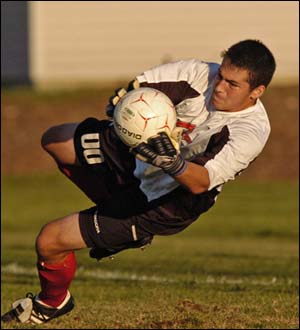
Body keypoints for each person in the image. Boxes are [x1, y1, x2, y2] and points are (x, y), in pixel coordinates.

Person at [2, 39, 276, 324]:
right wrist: (124, 100)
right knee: (55, 140)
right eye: (221, 75)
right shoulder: (199, 73)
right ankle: (113, 209)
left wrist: (172, 162)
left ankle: (51, 303)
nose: (219, 86)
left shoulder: (250, 132)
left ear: (257, 91)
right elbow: (142, 86)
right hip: (135, 156)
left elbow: (200, 183)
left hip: (164, 202)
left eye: (233, 84)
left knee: (49, 241)